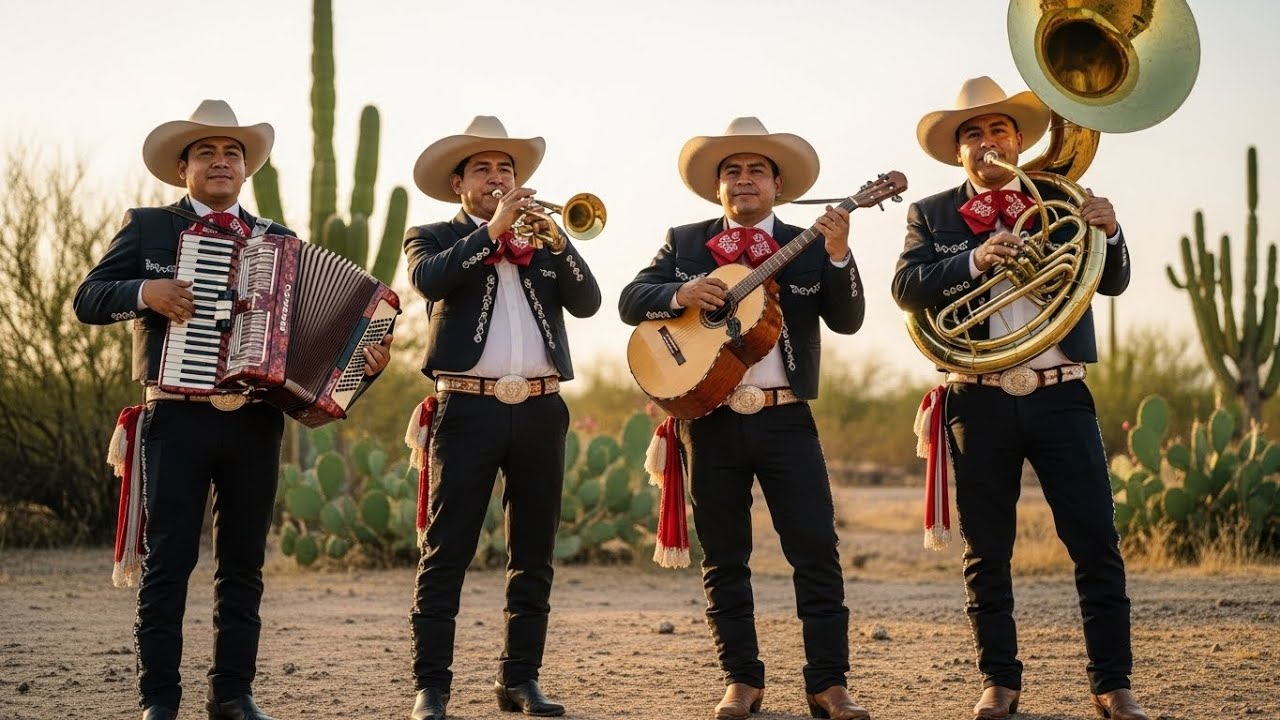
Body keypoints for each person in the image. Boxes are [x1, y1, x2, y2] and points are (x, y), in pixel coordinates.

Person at [73, 100, 392, 720]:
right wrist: (145, 291)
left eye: (233, 154)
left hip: (253, 420)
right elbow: (88, 298)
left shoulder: (281, 241)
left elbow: (316, 345)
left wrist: (360, 368)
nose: (221, 162)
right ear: (183, 166)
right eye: (207, 153)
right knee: (169, 564)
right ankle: (159, 700)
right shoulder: (149, 228)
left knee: (243, 565)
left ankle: (233, 694)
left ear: (246, 169)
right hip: (176, 417)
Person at [891, 76, 1143, 720]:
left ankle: (1112, 686)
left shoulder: (1062, 197)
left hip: (1061, 396)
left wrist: (1111, 233)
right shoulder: (933, 213)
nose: (985, 143)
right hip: (977, 399)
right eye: (971, 135)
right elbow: (906, 288)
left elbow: (1111, 282)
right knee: (987, 553)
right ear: (957, 152)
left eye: (998, 130)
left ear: (1020, 140)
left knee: (1094, 543)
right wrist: (975, 264)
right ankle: (999, 683)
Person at [619, 117, 870, 720]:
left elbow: (850, 320)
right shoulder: (684, 243)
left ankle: (828, 684)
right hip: (711, 420)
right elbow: (631, 298)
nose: (744, 180)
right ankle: (741, 681)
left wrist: (838, 255)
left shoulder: (809, 244)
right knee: (724, 556)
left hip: (786, 419)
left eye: (757, 170)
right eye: (732, 172)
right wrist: (679, 295)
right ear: (717, 189)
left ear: (779, 186)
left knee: (815, 549)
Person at [403, 116, 601, 720]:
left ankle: (520, 681)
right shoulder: (431, 235)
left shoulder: (543, 242)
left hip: (541, 408)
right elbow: (428, 280)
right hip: (467, 407)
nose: (498, 177)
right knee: (447, 551)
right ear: (458, 182)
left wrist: (561, 244)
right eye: (484, 169)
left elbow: (588, 302)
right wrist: (492, 230)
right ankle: (431, 688)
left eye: (507, 169)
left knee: (533, 553)